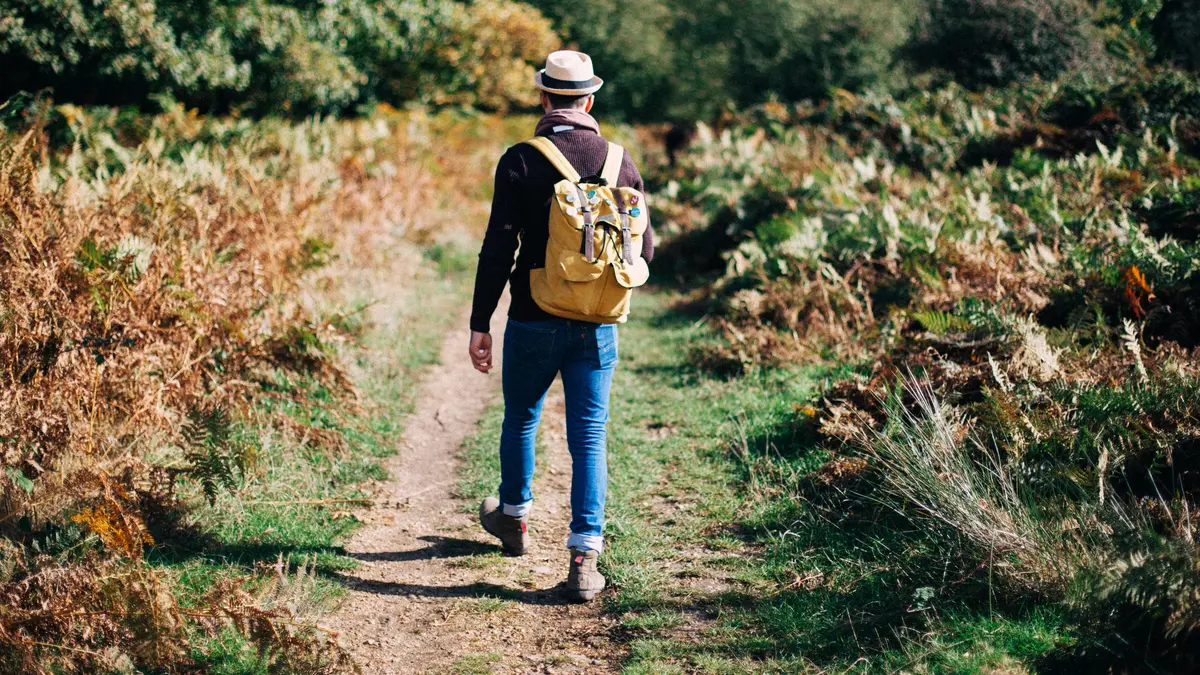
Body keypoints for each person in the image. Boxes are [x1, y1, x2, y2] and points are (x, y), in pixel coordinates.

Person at [468, 50, 654, 602]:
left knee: (521, 417)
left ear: (544, 98)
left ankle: (512, 518)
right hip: (597, 323)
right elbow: (645, 249)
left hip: (533, 315)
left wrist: (481, 321)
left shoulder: (521, 160)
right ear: (589, 101)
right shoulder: (620, 161)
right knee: (589, 435)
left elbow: (498, 247)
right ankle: (584, 558)